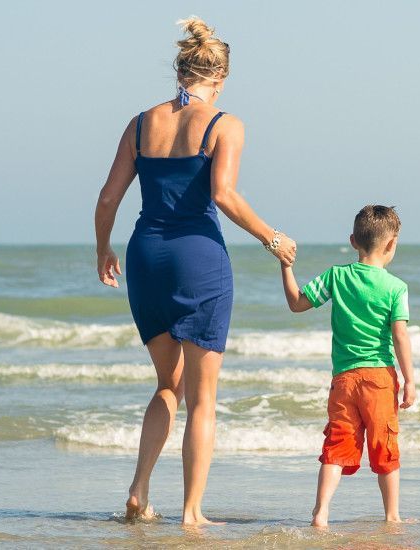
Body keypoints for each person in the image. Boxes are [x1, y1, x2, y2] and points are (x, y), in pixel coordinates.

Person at [92, 16, 296, 526]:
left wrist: (103, 250)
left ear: (179, 71)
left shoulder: (141, 123)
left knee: (168, 384)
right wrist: (273, 239)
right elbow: (223, 194)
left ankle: (138, 489)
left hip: (145, 255)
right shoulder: (225, 123)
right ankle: (191, 513)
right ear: (220, 78)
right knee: (203, 400)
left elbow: (108, 196)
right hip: (197, 259)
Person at [279, 205, 416, 527]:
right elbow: (400, 335)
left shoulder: (336, 276)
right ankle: (392, 515)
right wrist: (410, 380)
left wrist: (286, 267)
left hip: (344, 379)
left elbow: (297, 304)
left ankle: (321, 512)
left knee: (337, 443)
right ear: (392, 244)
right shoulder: (396, 287)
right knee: (384, 445)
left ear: (353, 241)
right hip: (379, 378)